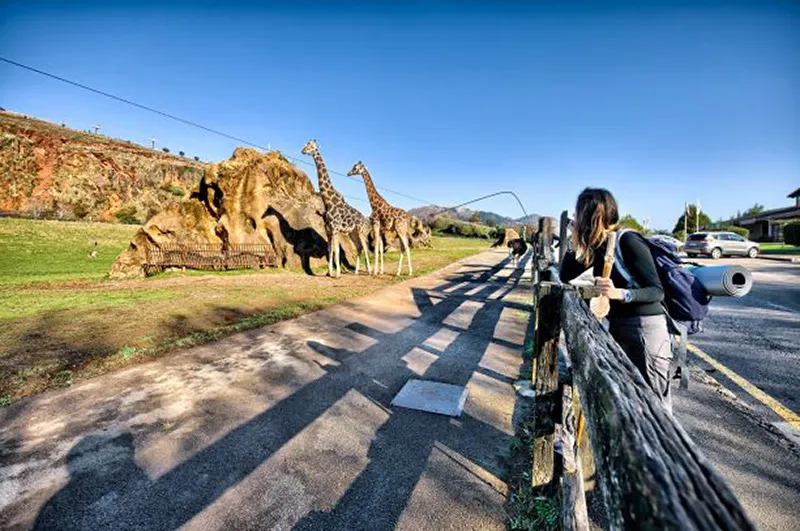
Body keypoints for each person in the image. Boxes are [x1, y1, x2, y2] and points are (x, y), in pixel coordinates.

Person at [559, 188, 673, 412]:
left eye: (578, 213)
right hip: (620, 328)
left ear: (591, 215)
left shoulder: (628, 240)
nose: (575, 218)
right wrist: (575, 240)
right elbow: (566, 275)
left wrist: (620, 293)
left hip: (645, 331)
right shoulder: (600, 245)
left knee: (655, 405)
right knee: (630, 400)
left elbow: (657, 291)